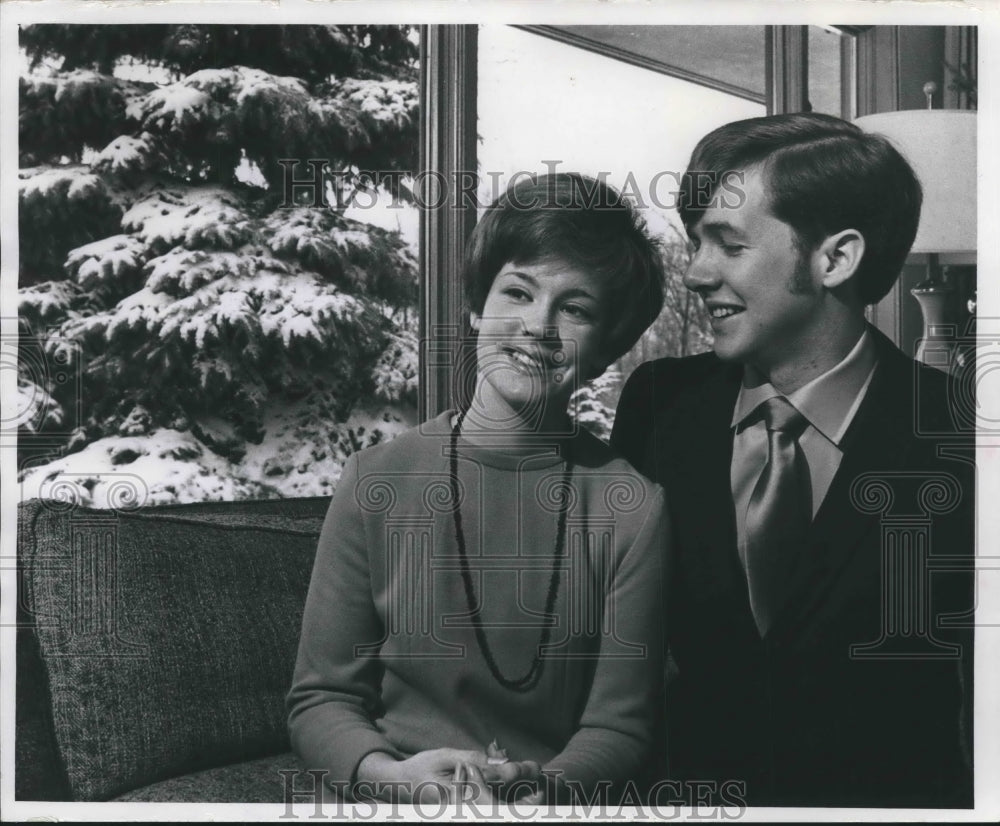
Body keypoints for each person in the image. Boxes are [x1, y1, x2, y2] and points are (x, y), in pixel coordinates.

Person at [612, 112, 974, 808]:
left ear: (834, 258)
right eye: (696, 242)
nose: (695, 272)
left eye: (729, 244)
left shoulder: (965, 437)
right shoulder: (658, 406)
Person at [287, 173, 669, 806]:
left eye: (575, 309)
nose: (538, 328)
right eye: (518, 291)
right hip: (396, 797)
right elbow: (321, 698)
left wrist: (538, 786)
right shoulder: (375, 479)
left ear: (605, 352)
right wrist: (395, 779)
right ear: (476, 305)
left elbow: (619, 727)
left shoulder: (633, 507)